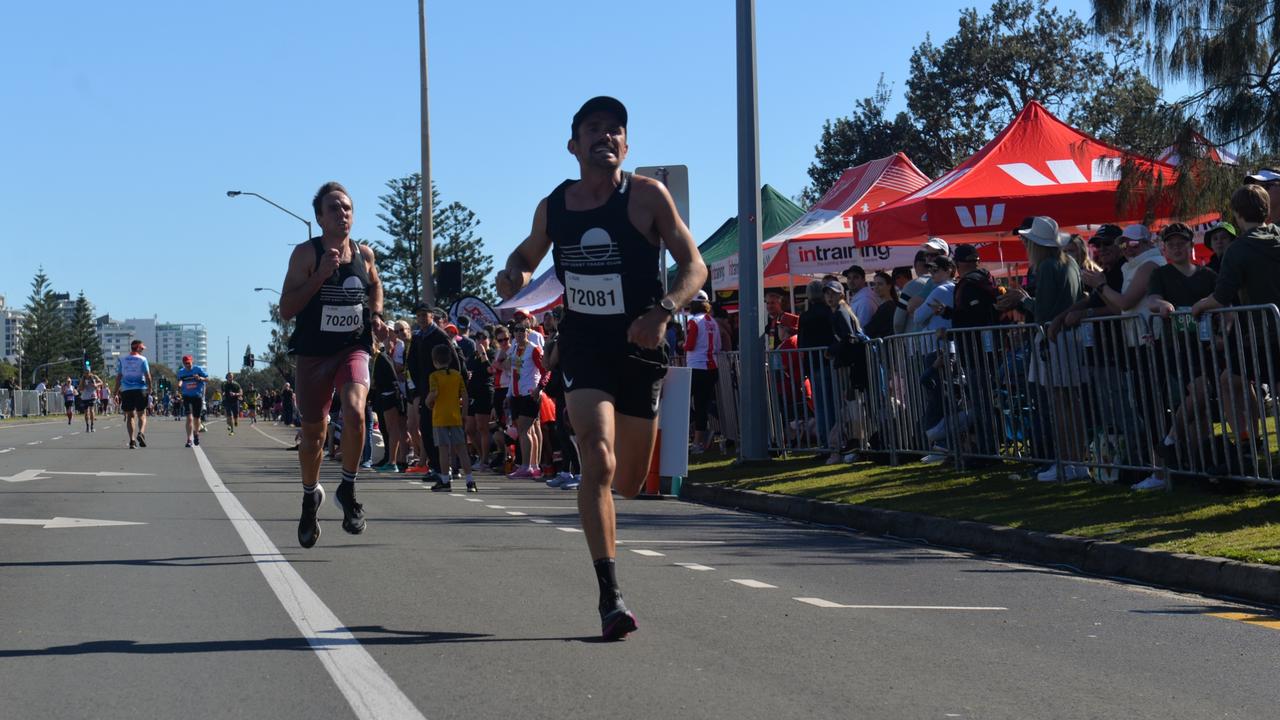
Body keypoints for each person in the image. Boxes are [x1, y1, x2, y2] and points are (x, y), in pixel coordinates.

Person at [495, 96, 706, 641]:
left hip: (640, 345)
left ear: (626, 146)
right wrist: (513, 276)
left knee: (631, 482)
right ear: (574, 145)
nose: (604, 136)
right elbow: (523, 257)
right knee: (598, 455)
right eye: (593, 128)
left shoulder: (647, 197)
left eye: (615, 130)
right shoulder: (556, 206)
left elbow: (694, 265)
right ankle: (610, 596)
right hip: (585, 344)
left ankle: (610, 542)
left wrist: (662, 313)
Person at [279, 181, 386, 548]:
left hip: (352, 347)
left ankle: (348, 488)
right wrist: (320, 276)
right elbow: (286, 309)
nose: (343, 214)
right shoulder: (306, 255)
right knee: (313, 436)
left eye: (348, 208)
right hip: (313, 355)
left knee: (356, 413)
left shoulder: (364, 254)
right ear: (320, 218)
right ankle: (310, 498)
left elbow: (375, 285)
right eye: (335, 208)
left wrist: (376, 315)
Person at [1192, 184, 1280, 471]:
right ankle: (1250, 444)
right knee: (1232, 381)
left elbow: (1220, 297)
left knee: (1233, 382)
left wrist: (1199, 306)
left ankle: (1247, 445)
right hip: (1264, 330)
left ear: (1237, 213)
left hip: (1262, 332)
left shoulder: (1238, 249)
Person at [998, 216, 1087, 481]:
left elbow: (1044, 311)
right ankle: (1077, 462)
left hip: (1053, 338)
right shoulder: (1069, 262)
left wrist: (1023, 301)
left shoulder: (1047, 266)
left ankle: (1068, 463)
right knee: (1071, 404)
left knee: (1060, 405)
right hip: (1069, 338)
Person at [1140, 223, 1219, 491]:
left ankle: (1201, 463)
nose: (1176, 247)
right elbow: (1151, 300)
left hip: (1207, 346)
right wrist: (1161, 304)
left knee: (1203, 406)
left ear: (1190, 245)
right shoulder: (1161, 274)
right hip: (1177, 348)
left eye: (1181, 243)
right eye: (1171, 244)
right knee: (1199, 393)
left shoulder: (1207, 274)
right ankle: (1172, 443)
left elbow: (1223, 301)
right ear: (1164, 248)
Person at [500, 321, 548, 479]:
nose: (519, 333)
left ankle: (527, 466)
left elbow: (545, 371)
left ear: (528, 332)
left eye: (522, 330)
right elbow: (513, 372)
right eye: (516, 330)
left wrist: (539, 388)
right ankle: (533, 466)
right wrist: (508, 395)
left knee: (524, 430)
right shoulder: (514, 348)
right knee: (529, 430)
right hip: (516, 395)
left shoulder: (534, 349)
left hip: (529, 394)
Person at [426, 344, 474, 492]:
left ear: (434, 361)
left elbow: (434, 394)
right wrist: (464, 413)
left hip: (440, 417)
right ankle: (470, 481)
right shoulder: (457, 375)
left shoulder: (434, 376)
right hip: (455, 416)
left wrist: (427, 402)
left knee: (443, 450)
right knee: (461, 449)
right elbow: (464, 395)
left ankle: (445, 480)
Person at [683, 290, 722, 454]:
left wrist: (681, 345)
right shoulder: (712, 321)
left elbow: (689, 345)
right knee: (703, 404)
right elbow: (718, 345)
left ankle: (698, 440)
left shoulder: (693, 321)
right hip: (712, 367)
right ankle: (703, 438)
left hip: (697, 367)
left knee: (685, 402)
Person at [464, 328, 495, 474]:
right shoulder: (472, 356)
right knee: (470, 428)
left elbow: (490, 370)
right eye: (478, 338)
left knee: (483, 426)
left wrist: (483, 352)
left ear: (489, 340)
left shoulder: (491, 353)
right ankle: (481, 455)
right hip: (473, 393)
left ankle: (485, 460)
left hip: (485, 391)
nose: (480, 341)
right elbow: (467, 370)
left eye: (484, 338)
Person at [113, 339, 152, 448]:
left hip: (126, 390)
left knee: (130, 416)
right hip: (140, 389)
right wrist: (150, 388)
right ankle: (141, 433)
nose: (143, 350)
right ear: (138, 348)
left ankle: (132, 441)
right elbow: (148, 375)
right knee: (142, 415)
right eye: (142, 348)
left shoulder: (122, 359)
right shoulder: (143, 359)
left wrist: (115, 392)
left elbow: (118, 377)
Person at [176, 355, 211, 447]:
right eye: (186, 363)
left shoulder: (198, 369)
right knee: (189, 418)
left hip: (197, 396)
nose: (188, 365)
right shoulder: (181, 372)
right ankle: (189, 439)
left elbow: (207, 379)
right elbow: (180, 381)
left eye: (189, 363)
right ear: (183, 363)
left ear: (192, 361)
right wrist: (179, 385)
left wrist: (200, 378)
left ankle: (196, 433)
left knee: (196, 418)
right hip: (186, 396)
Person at [843, 264, 879, 329]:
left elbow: (863, 329)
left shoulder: (865, 301)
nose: (851, 281)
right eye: (849, 278)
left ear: (863, 280)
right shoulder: (859, 298)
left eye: (855, 277)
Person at [863, 271, 898, 338]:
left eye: (880, 284)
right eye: (874, 284)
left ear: (889, 286)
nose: (876, 287)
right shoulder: (890, 305)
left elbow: (870, 329)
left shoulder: (887, 306)